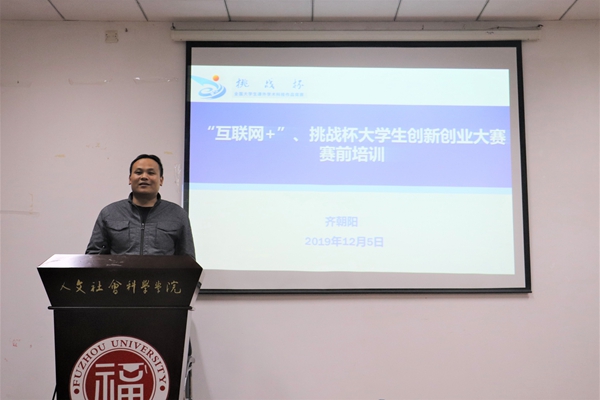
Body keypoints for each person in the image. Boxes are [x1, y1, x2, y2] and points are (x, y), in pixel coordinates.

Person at [85, 154, 195, 258]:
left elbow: (188, 260)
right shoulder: (110, 213)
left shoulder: (177, 214)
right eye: (138, 172)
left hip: (162, 273)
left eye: (151, 173)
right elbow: (93, 257)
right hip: (120, 272)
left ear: (161, 180)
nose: (144, 177)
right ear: (130, 179)